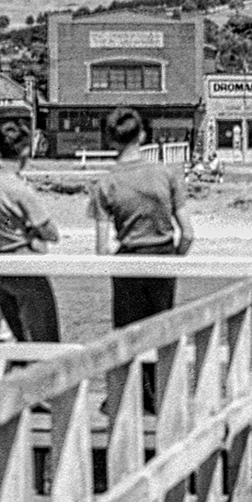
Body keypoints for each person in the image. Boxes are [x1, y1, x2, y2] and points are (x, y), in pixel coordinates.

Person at [89, 107, 196, 412]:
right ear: (144, 136)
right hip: (163, 259)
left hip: (127, 264)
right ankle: (161, 396)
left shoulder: (105, 184)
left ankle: (125, 397)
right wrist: (174, 258)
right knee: (162, 331)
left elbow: (100, 248)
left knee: (126, 334)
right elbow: (187, 233)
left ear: (110, 140)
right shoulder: (166, 175)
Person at [0, 119, 62, 342]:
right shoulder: (17, 188)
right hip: (25, 267)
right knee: (45, 341)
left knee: (19, 338)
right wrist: (32, 232)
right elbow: (52, 232)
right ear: (24, 150)